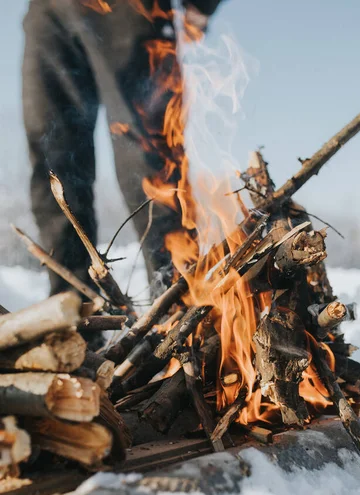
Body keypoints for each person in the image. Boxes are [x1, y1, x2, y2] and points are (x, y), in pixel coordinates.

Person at [22, 0, 222, 296]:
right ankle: (76, 316)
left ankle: (177, 306)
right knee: (53, 158)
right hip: (48, 10)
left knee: (149, 156)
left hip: (132, 8)